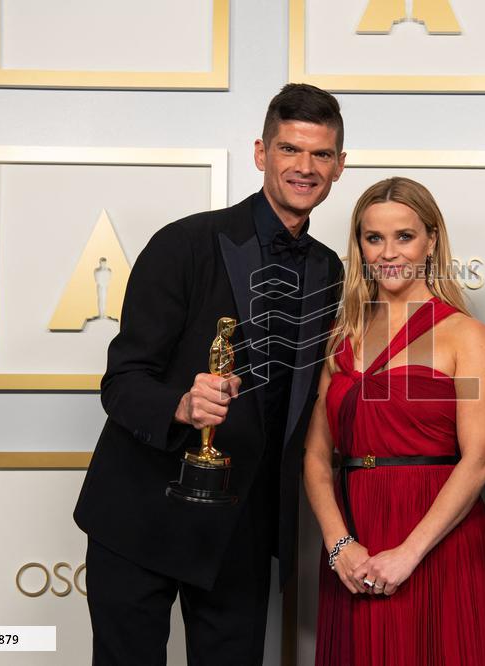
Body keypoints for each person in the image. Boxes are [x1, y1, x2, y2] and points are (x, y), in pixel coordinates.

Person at [73, 83, 346, 666]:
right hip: (143, 514)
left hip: (242, 532)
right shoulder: (184, 243)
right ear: (260, 153)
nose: (305, 167)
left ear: (339, 166)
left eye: (321, 154)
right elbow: (122, 382)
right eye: (289, 149)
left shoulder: (330, 269)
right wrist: (181, 406)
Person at [304, 177, 485, 665]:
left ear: (431, 240)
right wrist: (339, 545)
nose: (388, 252)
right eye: (373, 238)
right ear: (359, 246)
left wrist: (409, 553)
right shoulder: (342, 335)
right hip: (355, 536)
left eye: (404, 236)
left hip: (439, 539)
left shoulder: (466, 336)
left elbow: (479, 459)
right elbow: (315, 454)